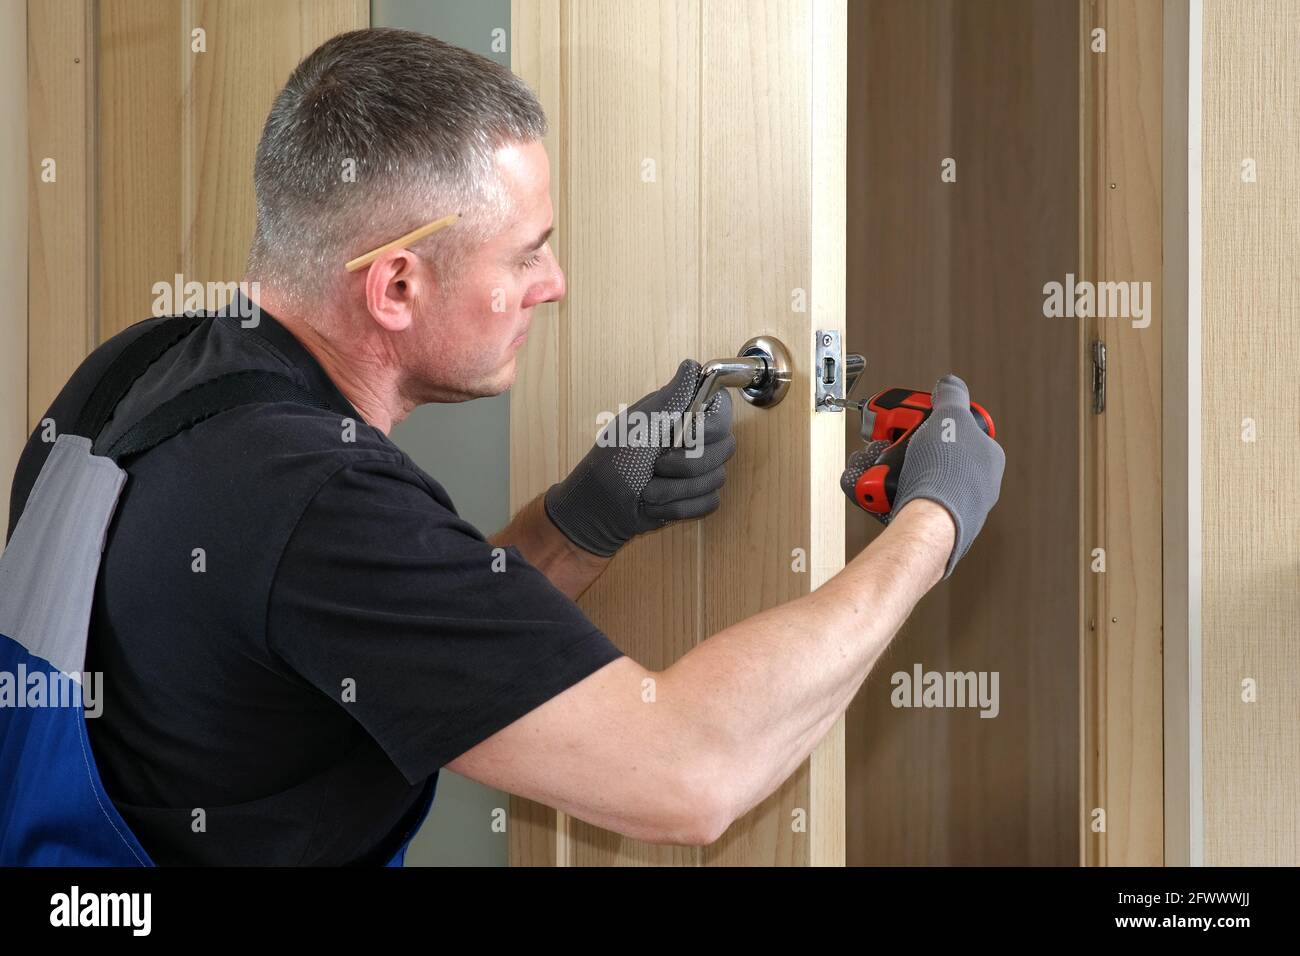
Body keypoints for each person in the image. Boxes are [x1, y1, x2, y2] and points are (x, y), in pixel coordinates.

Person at [1, 28, 1003, 865]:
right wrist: (931, 520)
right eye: (526, 252)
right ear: (394, 287)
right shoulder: (319, 499)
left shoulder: (140, 367)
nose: (556, 281)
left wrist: (577, 521)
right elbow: (689, 771)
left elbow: (358, 634)